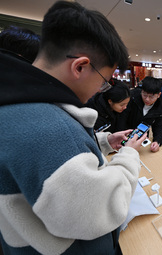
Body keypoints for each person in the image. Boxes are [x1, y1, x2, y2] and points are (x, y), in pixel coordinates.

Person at [0, 1, 147, 254]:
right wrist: (129, 155)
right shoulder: (49, 128)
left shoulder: (17, 106)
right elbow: (102, 207)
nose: (99, 90)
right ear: (79, 67)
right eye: (102, 82)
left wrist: (102, 142)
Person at [122, 76, 162, 152]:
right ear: (141, 91)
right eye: (144, 95)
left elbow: (160, 126)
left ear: (159, 95)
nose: (147, 99)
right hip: (124, 137)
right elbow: (121, 119)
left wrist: (157, 141)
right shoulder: (131, 98)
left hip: (142, 141)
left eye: (151, 97)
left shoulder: (159, 107)